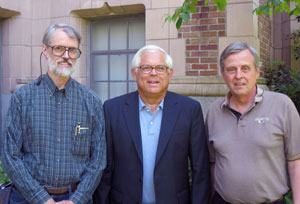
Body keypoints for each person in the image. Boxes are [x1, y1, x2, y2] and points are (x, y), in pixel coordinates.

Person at [1, 23, 106, 204]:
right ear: (45, 49)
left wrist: (77, 200)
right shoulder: (22, 98)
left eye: (72, 50)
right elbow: (10, 155)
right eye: (59, 48)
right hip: (28, 198)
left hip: (75, 198)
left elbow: (98, 160)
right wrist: (42, 199)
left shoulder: (92, 102)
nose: (66, 56)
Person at [93, 45, 211, 204]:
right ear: (134, 74)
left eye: (160, 68)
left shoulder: (190, 110)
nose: (153, 73)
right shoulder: (112, 109)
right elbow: (104, 168)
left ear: (170, 74)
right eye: (146, 68)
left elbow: (200, 169)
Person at [206, 41, 300, 204]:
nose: (238, 76)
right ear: (223, 74)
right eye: (231, 70)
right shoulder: (214, 111)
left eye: (245, 68)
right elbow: (213, 164)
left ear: (257, 71)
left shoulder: (282, 105)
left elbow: (295, 162)